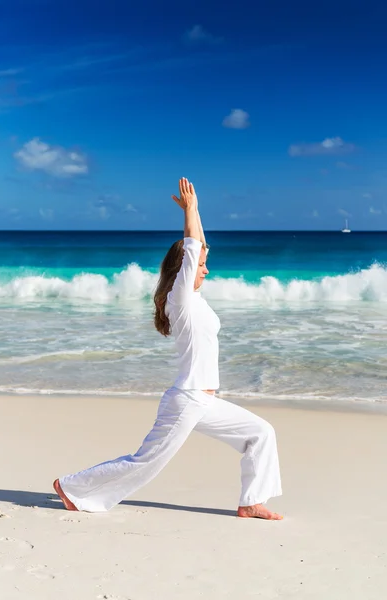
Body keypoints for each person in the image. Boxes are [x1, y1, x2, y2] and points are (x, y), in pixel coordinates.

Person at [53, 178, 282, 519]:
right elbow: (192, 249)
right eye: (201, 265)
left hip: (204, 400)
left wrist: (198, 211)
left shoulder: (195, 300)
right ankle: (71, 486)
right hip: (186, 400)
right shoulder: (181, 298)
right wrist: (189, 212)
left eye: (205, 263)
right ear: (184, 270)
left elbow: (199, 246)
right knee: (146, 461)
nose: (206, 268)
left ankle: (251, 501)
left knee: (260, 433)